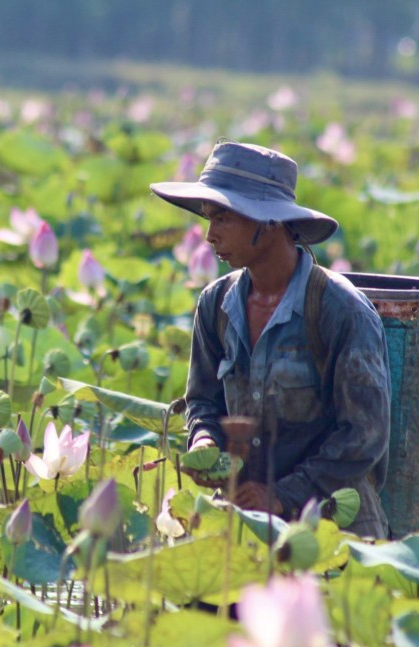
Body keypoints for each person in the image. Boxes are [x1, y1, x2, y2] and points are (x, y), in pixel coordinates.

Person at [150, 141, 390, 538]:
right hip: (240, 522)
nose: (209, 236)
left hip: (332, 530)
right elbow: (203, 400)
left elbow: (364, 436)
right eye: (209, 220)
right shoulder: (215, 305)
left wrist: (282, 495)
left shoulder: (341, 310)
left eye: (223, 219)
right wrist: (204, 438)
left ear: (269, 222)